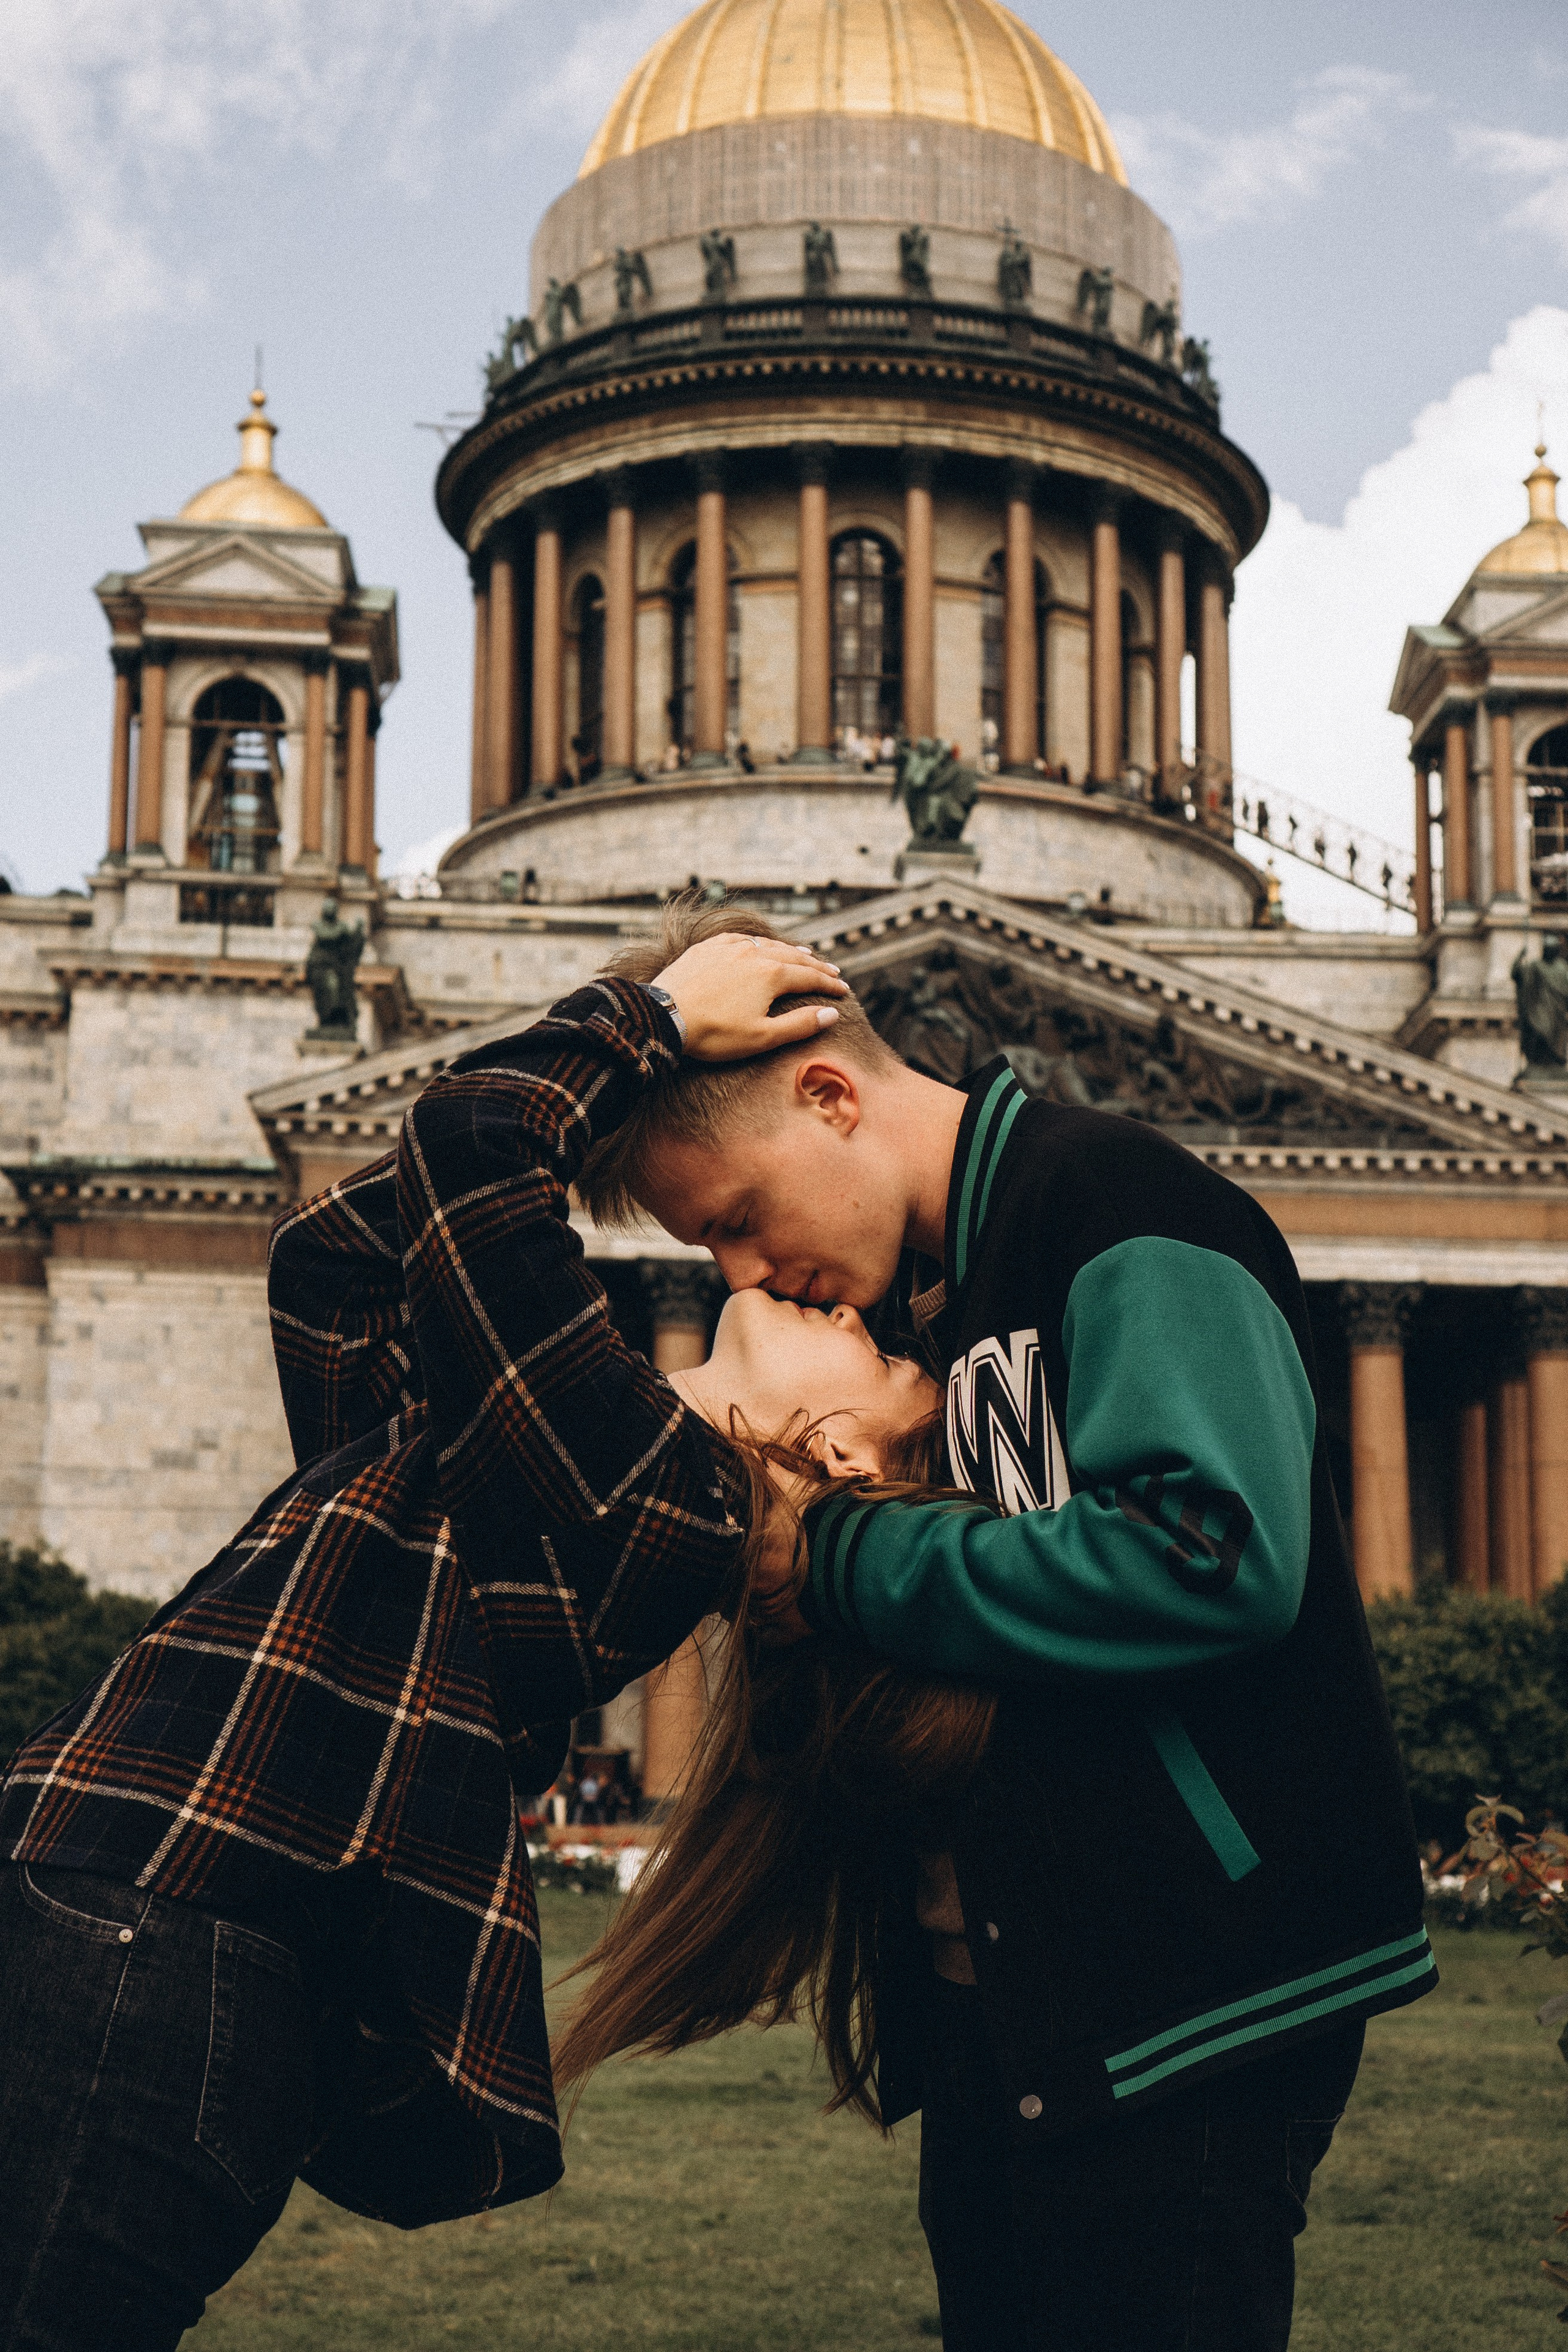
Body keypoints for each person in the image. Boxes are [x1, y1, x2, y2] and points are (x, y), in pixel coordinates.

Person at [0, 931, 942, 2350]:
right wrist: (627, 1082)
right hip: (114, 1905)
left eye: (881, 1360)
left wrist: (645, 1023)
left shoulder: (650, 1504)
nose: (827, 1297)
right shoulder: (517, 1457)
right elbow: (339, 1263)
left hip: (166, 1943)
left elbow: (471, 1150)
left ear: (822, 1457)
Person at [571, 895, 1436, 2352]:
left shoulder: (1112, 1206)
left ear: (828, 1092)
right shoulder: (923, 1313)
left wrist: (836, 1556)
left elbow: (1209, 1557)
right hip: (1020, 2014)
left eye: (733, 1220)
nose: (738, 1277)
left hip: (1185, 1994)